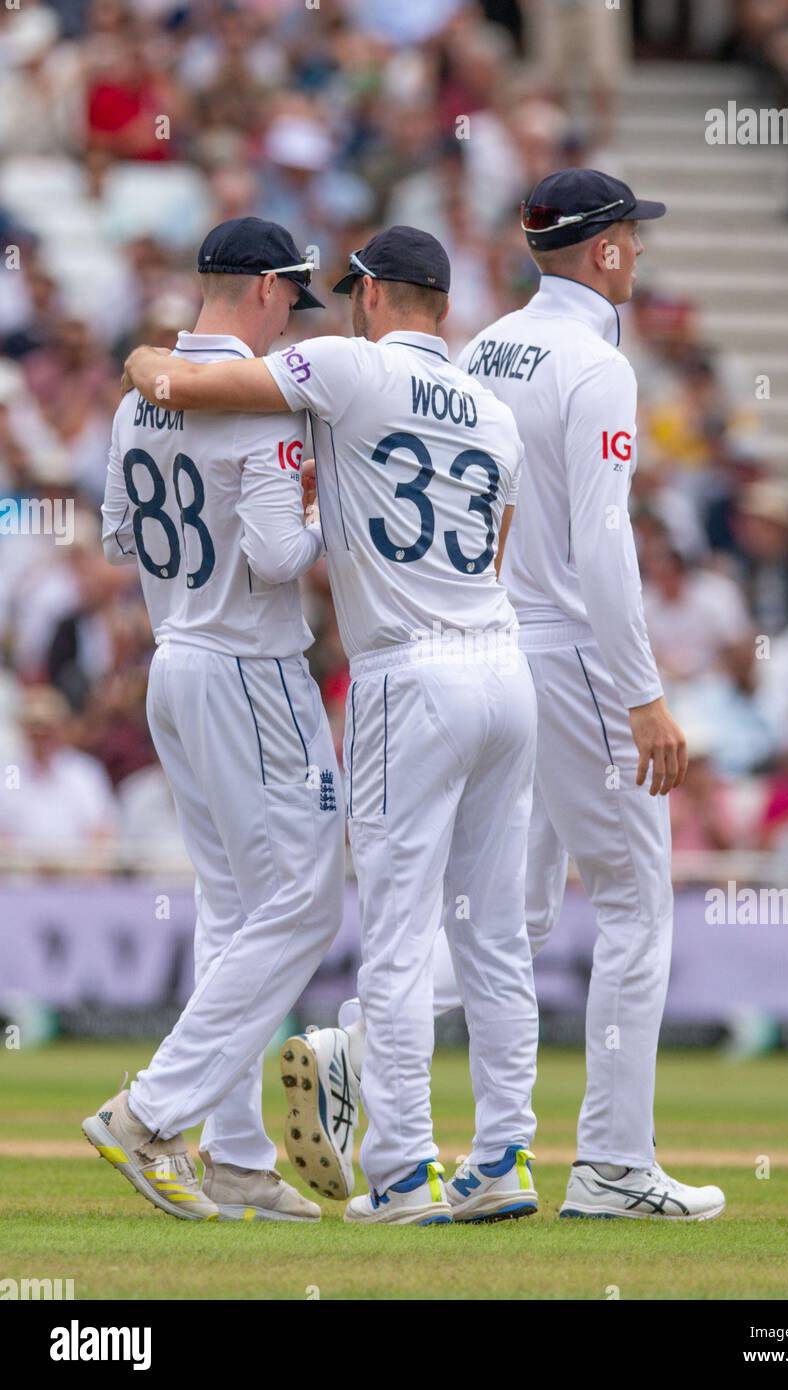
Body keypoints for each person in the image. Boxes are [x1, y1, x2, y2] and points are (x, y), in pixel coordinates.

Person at [328, 172, 727, 1222]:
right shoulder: (595, 365)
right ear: (602, 253)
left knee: (516, 913)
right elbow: (601, 539)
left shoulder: (486, 344)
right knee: (638, 904)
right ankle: (612, 1162)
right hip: (568, 654)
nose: (638, 254)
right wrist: (641, 692)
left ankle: (351, 1054)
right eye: (632, 239)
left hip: (487, 638)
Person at [123, 226, 541, 1228]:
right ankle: (505, 1159)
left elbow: (199, 391)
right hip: (501, 663)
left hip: (408, 673)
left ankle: (401, 1172)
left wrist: (144, 360)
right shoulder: (493, 408)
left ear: (373, 296)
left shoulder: (348, 367)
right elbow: (499, 547)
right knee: (494, 938)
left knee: (393, 939)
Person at [85, 217, 345, 1224]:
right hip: (250, 664)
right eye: (292, 297)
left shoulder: (134, 404)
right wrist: (331, 512)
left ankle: (235, 1154)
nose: (291, 319)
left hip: (174, 660)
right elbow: (282, 558)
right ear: (269, 289)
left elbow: (116, 537)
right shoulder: (262, 402)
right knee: (306, 901)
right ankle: (152, 1111)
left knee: (235, 908)